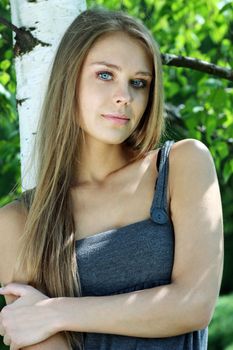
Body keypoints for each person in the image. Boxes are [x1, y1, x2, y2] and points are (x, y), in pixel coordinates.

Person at [0, 7, 223, 350]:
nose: (125, 96)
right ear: (68, 78)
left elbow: (194, 304)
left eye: (138, 83)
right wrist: (47, 317)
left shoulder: (182, 165)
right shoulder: (20, 223)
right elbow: (32, 330)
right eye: (106, 75)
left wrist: (58, 311)